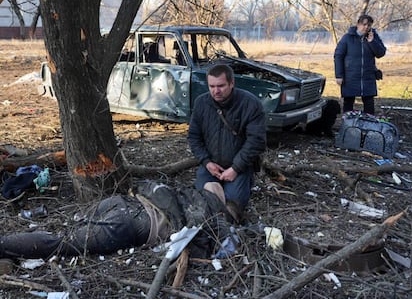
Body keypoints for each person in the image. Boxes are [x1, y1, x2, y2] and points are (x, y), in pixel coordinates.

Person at [0, 181, 239, 260]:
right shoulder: (217, 219)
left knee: (72, 227)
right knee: (63, 244)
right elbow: (217, 249)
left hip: (123, 201)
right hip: (136, 222)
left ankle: (15, 244)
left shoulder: (190, 194)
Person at [187, 64, 267, 211]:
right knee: (203, 202)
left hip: (239, 166)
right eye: (211, 86)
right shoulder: (201, 103)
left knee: (232, 207)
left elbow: (256, 141)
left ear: (232, 83)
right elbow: (193, 137)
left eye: (221, 86)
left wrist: (235, 168)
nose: (216, 91)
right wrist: (206, 162)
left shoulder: (250, 104)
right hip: (211, 165)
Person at [334, 14, 387, 115]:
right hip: (350, 76)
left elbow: (381, 53)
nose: (366, 27)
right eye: (364, 24)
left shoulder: (373, 37)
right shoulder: (347, 38)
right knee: (348, 103)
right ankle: (348, 126)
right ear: (358, 24)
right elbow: (338, 56)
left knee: (369, 104)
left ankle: (369, 126)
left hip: (368, 77)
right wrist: (339, 75)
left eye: (369, 25)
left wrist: (372, 42)